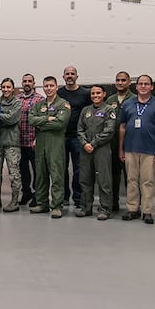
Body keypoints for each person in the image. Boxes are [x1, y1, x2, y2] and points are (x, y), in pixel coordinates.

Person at [118, 74, 155, 225]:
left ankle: (147, 211)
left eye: (147, 84)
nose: (144, 86)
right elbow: (122, 127)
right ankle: (132, 209)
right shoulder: (128, 104)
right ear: (136, 86)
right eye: (141, 83)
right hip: (130, 148)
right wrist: (121, 149)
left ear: (152, 86)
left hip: (149, 149)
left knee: (147, 181)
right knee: (131, 180)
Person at [28, 76, 71, 218]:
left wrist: (41, 124)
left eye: (51, 86)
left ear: (56, 87)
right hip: (40, 144)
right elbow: (31, 120)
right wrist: (47, 118)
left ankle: (57, 206)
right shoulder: (39, 105)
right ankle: (42, 203)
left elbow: (60, 123)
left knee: (56, 175)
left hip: (55, 144)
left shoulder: (63, 104)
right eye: (46, 86)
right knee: (40, 174)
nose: (48, 88)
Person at [76, 85, 116, 220]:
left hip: (101, 149)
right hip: (85, 149)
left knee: (104, 180)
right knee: (85, 179)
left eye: (98, 93)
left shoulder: (109, 110)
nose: (95, 95)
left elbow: (109, 131)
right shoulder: (85, 110)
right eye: (93, 93)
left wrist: (93, 143)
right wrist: (85, 143)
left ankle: (105, 208)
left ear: (104, 94)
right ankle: (85, 207)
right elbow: (80, 129)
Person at [57, 66, 91, 208]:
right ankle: (64, 197)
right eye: (67, 74)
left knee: (78, 168)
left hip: (78, 137)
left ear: (77, 76)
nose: (70, 76)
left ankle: (78, 197)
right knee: (61, 168)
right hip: (61, 136)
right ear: (63, 77)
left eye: (72, 74)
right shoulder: (59, 92)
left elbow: (89, 114)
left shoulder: (85, 93)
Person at [0, 78, 22, 212]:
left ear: (13, 88)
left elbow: (12, 119)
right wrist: (3, 117)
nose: (5, 90)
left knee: (14, 174)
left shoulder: (17, 103)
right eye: (3, 87)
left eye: (8, 87)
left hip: (12, 143)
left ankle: (15, 201)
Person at [106, 71, 133, 212]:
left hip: (130, 142)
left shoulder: (134, 99)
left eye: (123, 80)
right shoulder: (110, 100)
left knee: (131, 176)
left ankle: (132, 205)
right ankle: (113, 203)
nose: (120, 82)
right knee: (113, 175)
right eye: (118, 80)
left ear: (129, 82)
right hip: (112, 142)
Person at [17, 73, 43, 206]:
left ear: (34, 83)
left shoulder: (40, 99)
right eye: (25, 81)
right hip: (19, 141)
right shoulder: (17, 99)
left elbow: (43, 121)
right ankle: (26, 192)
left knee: (37, 170)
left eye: (29, 81)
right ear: (22, 83)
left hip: (33, 141)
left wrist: (38, 138)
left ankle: (38, 195)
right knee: (23, 170)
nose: (27, 83)